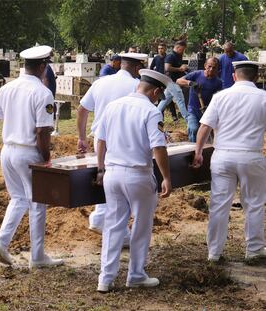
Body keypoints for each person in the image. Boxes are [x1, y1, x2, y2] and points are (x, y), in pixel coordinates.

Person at [95, 69, 172, 293]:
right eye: (159, 95)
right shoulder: (151, 111)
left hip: (112, 172)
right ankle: (136, 274)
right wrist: (166, 176)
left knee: (113, 225)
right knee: (141, 226)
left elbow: (100, 141)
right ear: (156, 91)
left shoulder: (113, 106)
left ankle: (105, 278)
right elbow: (158, 147)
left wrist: (101, 168)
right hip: (138, 174)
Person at [0, 45, 64, 269]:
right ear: (42, 66)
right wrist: (46, 157)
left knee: (18, 199)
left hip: (8, 150)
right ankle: (38, 256)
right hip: (28, 152)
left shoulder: (8, 88)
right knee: (37, 203)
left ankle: (1, 243)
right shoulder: (43, 93)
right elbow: (43, 131)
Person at [192, 61, 266, 262]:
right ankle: (254, 249)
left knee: (219, 204)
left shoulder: (220, 97)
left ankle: (214, 253)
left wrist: (198, 152)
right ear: (256, 77)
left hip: (223, 155)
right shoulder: (263, 98)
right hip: (251, 155)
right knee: (254, 204)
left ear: (234, 76)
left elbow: (204, 128)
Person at [77, 53, 148, 246]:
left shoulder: (101, 83)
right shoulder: (136, 86)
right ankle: (110, 224)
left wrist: (81, 137)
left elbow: (82, 109)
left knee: (107, 178)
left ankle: (102, 218)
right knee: (118, 183)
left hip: (99, 138)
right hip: (123, 140)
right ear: (136, 68)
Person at [177, 57, 222, 142]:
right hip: (192, 109)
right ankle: (192, 149)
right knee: (193, 129)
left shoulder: (218, 83)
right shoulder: (197, 74)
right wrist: (190, 83)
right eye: (209, 66)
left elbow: (219, 99)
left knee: (207, 133)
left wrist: (210, 107)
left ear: (217, 69)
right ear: (205, 66)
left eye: (214, 67)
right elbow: (178, 81)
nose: (211, 69)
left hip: (207, 112)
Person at [157, 40, 189, 120]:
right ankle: (189, 120)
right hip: (172, 82)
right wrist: (180, 69)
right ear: (178, 47)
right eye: (182, 49)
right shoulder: (170, 56)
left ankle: (155, 114)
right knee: (180, 100)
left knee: (164, 101)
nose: (183, 51)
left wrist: (183, 68)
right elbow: (167, 68)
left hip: (173, 82)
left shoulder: (178, 56)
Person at [150, 43, 177, 121]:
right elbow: (151, 68)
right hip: (159, 80)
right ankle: (160, 116)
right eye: (159, 48)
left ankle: (174, 115)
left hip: (167, 80)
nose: (160, 50)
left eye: (162, 48)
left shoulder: (169, 57)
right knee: (159, 97)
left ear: (165, 49)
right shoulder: (156, 58)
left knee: (169, 98)